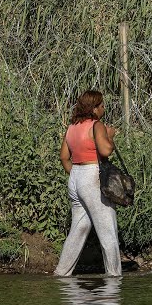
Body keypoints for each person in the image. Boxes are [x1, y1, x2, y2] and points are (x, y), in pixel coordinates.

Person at [54, 89, 122, 277]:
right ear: (93, 109)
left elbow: (64, 157)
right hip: (92, 176)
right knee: (108, 230)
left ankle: (61, 273)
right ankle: (114, 277)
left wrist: (77, 175)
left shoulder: (72, 127)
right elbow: (106, 150)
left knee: (78, 229)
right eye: (101, 106)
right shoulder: (96, 125)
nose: (103, 108)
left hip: (75, 177)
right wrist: (110, 135)